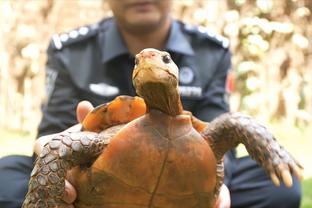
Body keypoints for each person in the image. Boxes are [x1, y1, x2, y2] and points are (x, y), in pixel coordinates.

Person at [0, 0, 301, 208]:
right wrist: (52, 153)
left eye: (163, 59)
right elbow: (52, 139)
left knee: (279, 184)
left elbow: (225, 132)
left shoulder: (211, 50)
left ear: (173, 70)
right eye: (140, 61)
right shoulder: (71, 50)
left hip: (188, 180)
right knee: (7, 176)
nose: (150, 60)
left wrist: (215, 187)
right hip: (97, 167)